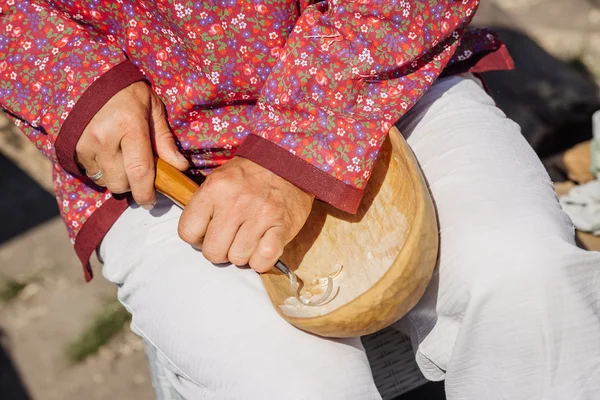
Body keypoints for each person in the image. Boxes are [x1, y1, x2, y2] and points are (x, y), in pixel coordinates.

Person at [2, 1, 599, 399]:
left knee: (526, 279)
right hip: (155, 152)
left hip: (373, 73)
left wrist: (295, 148)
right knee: (288, 384)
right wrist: (73, 82)